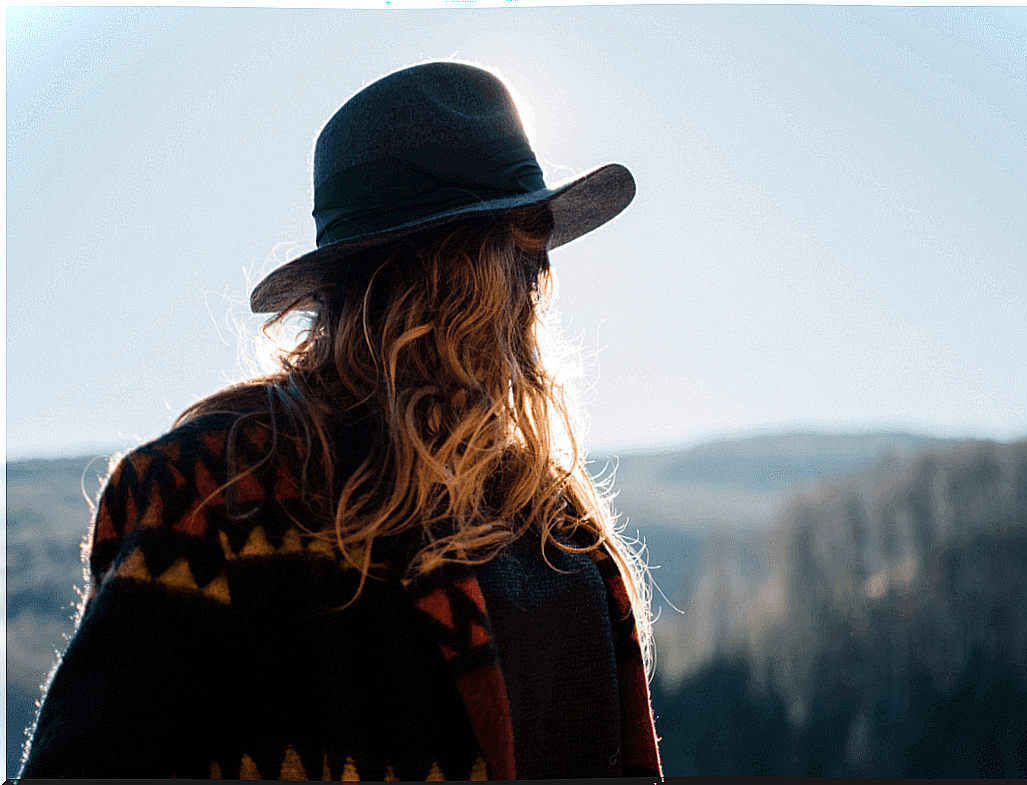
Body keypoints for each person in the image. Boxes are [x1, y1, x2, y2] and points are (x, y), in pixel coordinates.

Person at [20, 61, 662, 780]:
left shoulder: (561, 540)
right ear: (459, 278)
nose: (538, 283)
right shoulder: (210, 500)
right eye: (522, 249)